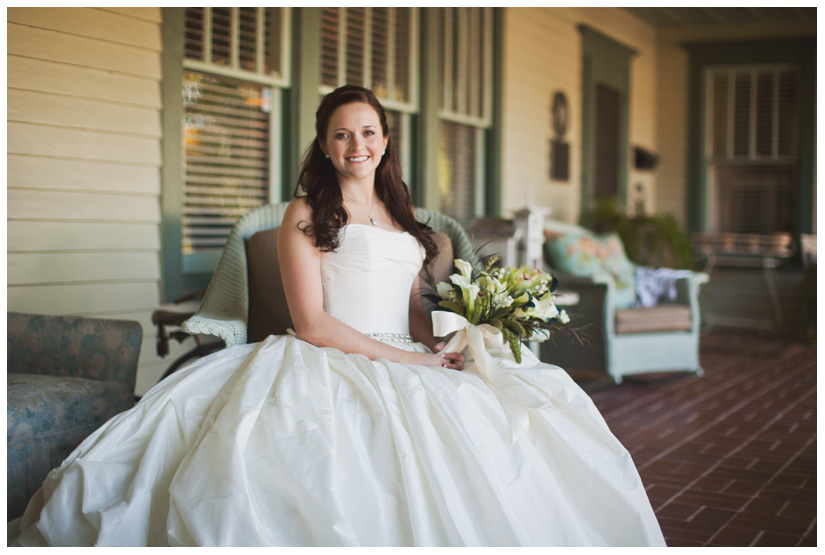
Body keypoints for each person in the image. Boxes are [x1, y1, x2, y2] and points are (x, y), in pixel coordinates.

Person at [9, 85, 665, 547]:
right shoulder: (302, 214)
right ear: (324, 146)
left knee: (513, 424)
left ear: (385, 141)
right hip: (324, 357)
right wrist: (409, 359)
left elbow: (411, 309)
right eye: (342, 134)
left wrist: (445, 347)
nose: (357, 144)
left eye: (369, 132)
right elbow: (312, 322)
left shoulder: (406, 218)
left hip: (405, 354)